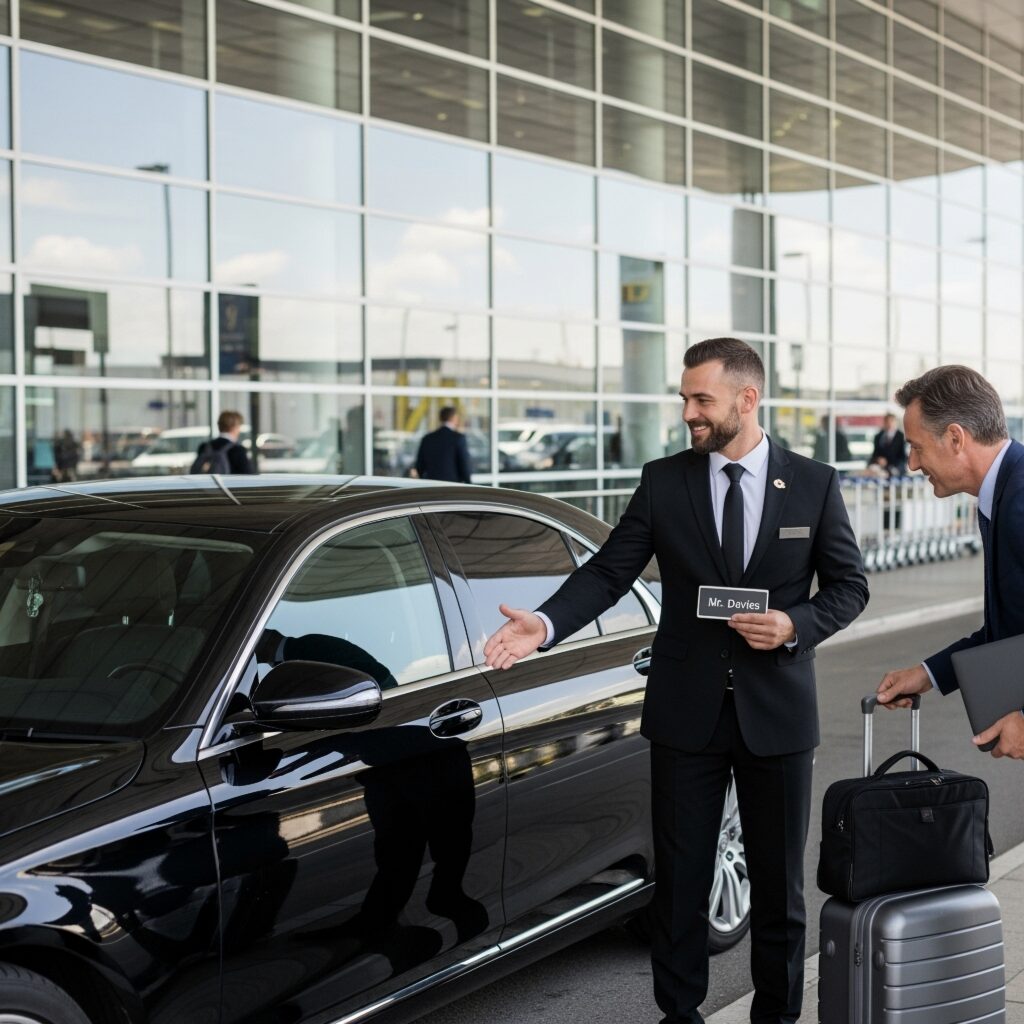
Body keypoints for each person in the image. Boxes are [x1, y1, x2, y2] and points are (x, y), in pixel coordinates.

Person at [483, 337, 868, 1024]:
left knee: (778, 891)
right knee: (680, 885)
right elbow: (609, 571)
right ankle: (679, 1016)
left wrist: (794, 625)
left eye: (701, 400)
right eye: (685, 399)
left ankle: (776, 1017)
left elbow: (850, 586)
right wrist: (543, 625)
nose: (688, 412)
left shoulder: (813, 483)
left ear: (747, 400)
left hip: (775, 712)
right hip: (686, 712)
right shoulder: (665, 480)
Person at [876, 365, 1024, 759]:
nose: (910, 463)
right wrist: (927, 675)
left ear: (956, 438)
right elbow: (1005, 626)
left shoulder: (1020, 500)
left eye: (917, 446)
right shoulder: (1002, 494)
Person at [414, 406, 472, 484]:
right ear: (454, 418)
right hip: (452, 486)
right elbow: (464, 464)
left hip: (431, 486)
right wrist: (468, 483)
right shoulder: (458, 438)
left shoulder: (427, 439)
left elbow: (419, 466)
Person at [191, 410, 253, 475]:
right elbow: (248, 475)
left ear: (219, 426)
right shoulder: (237, 450)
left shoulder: (204, 447)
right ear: (235, 427)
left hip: (207, 485)